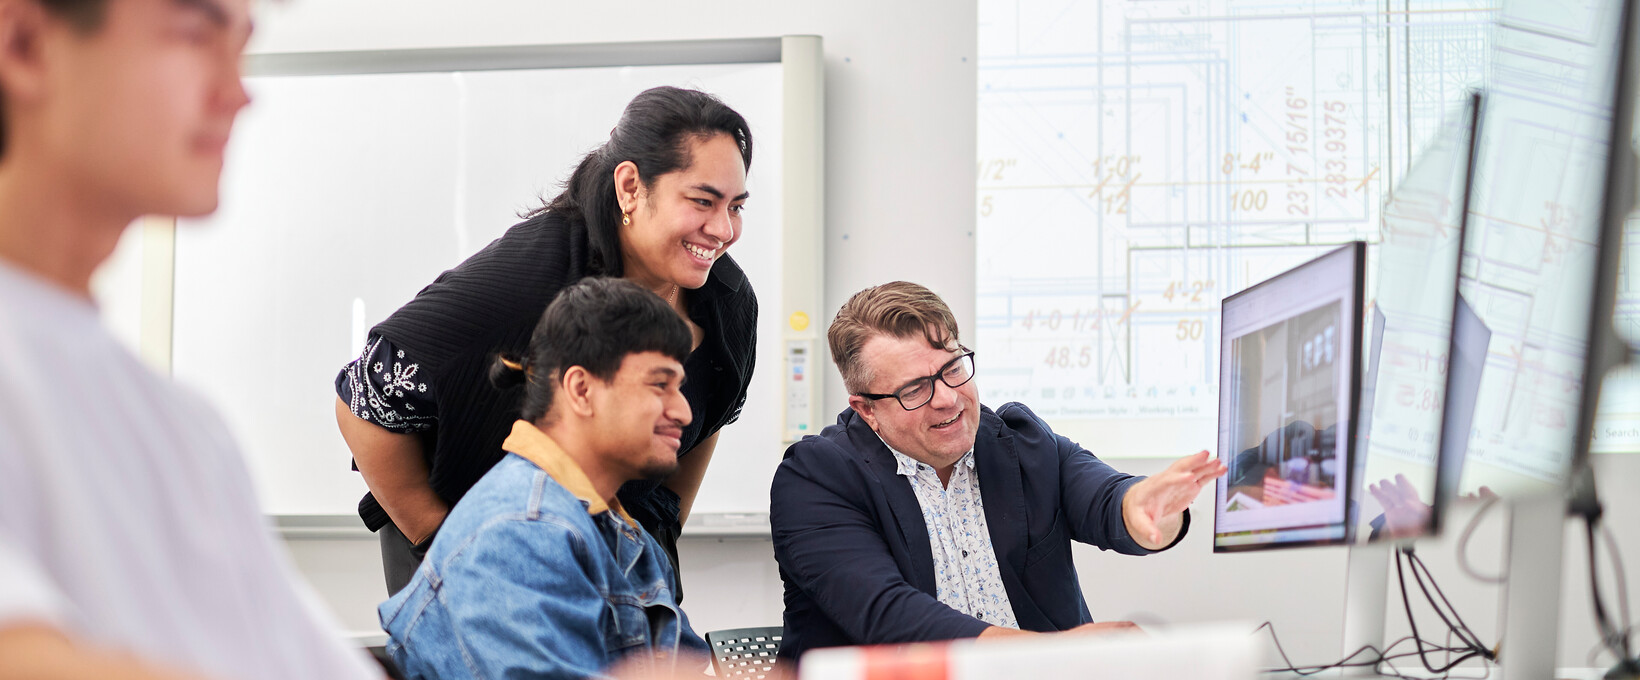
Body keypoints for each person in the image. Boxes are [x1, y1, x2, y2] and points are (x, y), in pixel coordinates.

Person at [0, 0, 382, 678]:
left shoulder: (188, 432)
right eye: (195, 35)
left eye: (241, 47)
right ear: (26, 44)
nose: (238, 93)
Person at [334, 86, 758, 595]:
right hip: (471, 544)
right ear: (630, 187)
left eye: (736, 207)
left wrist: (659, 532)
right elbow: (364, 401)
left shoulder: (726, 301)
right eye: (702, 201)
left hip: (610, 544)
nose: (723, 230)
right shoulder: (522, 284)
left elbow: (709, 414)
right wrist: (445, 545)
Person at [770, 282, 1228, 661]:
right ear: (867, 409)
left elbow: (1108, 500)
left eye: (953, 369)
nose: (948, 398)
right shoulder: (815, 478)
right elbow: (889, 617)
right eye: (915, 389)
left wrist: (1144, 508)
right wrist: (1058, 656)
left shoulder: (1018, 440)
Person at [379, 278, 710, 680]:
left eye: (679, 388)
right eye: (660, 385)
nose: (683, 412)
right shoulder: (520, 531)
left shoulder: (626, 534)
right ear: (581, 389)